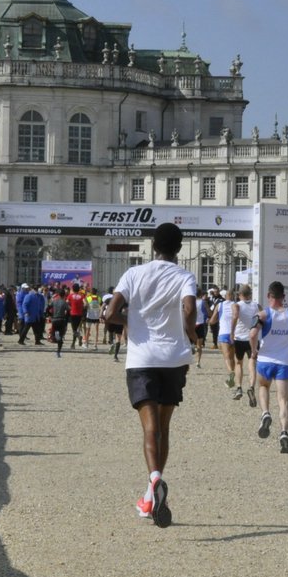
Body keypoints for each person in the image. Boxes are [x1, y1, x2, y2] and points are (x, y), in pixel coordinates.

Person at [102, 223, 198, 528]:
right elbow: (189, 309)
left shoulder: (133, 274)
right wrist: (191, 333)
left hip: (142, 358)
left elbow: (109, 314)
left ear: (153, 245)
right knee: (164, 428)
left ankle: (154, 479)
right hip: (174, 358)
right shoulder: (184, 276)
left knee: (149, 430)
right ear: (179, 249)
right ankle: (150, 494)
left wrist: (130, 324)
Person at [253, 281, 288, 453]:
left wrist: (254, 350)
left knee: (263, 387)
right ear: (284, 297)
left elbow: (253, 333)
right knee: (284, 401)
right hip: (284, 362)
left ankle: (265, 413)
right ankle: (284, 432)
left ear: (269, 296)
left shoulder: (263, 315)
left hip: (265, 360)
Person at [231, 284, 259, 405]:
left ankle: (238, 388)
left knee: (238, 363)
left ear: (239, 295)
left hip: (239, 337)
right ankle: (251, 387)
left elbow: (235, 316)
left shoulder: (237, 305)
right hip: (252, 338)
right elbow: (263, 318)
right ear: (250, 295)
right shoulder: (256, 305)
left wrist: (231, 332)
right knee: (252, 363)